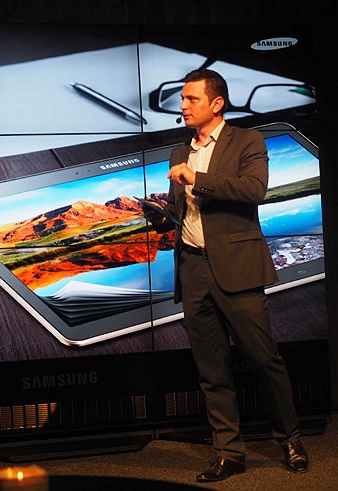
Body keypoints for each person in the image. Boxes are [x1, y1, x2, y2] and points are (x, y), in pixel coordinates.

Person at [144, 68, 309, 482]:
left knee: (264, 360)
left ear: (216, 104)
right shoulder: (179, 152)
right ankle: (229, 452)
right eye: (182, 99)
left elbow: (254, 190)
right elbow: (182, 212)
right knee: (211, 369)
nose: (183, 106)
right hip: (193, 268)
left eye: (192, 99)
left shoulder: (247, 141)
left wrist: (196, 178)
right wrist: (162, 218)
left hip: (237, 267)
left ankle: (290, 440)